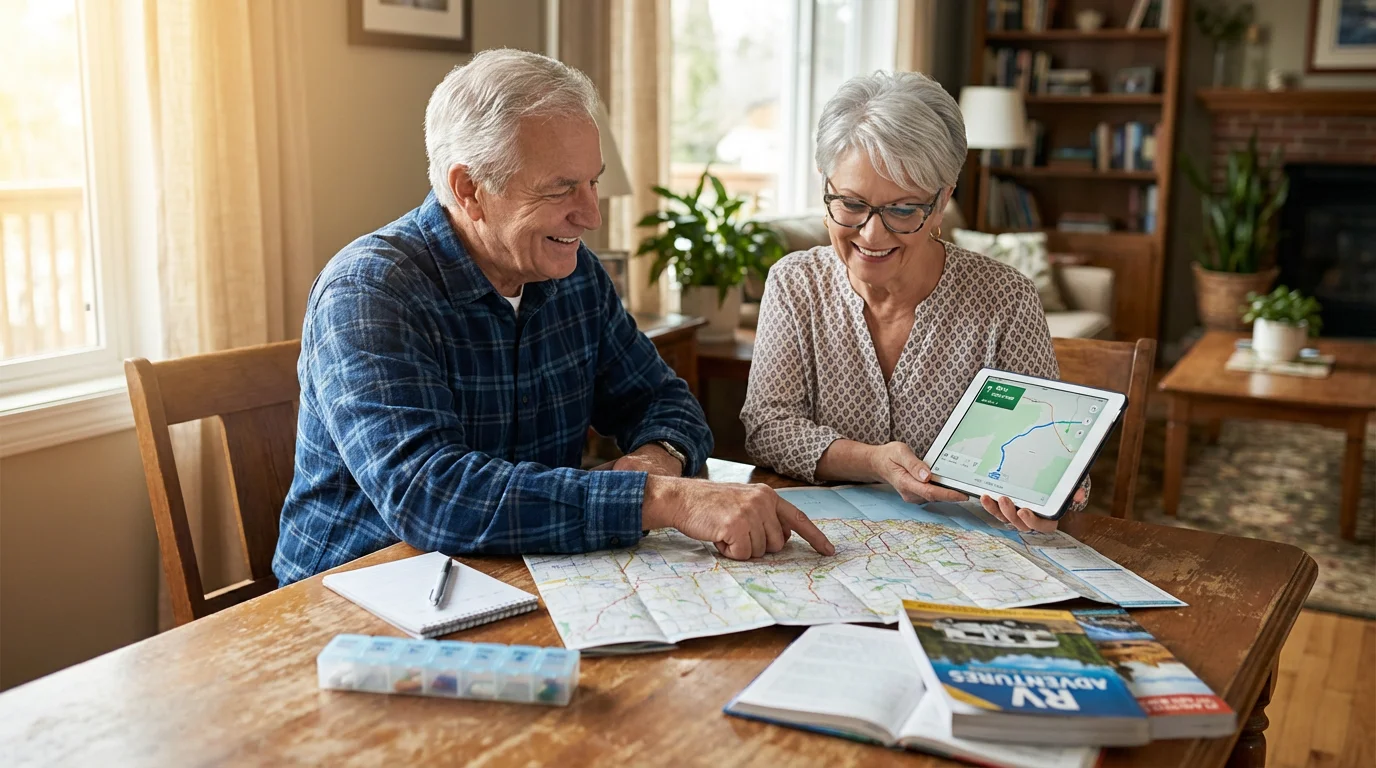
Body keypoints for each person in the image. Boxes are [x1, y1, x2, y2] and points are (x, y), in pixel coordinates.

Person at [273, 50, 832, 586]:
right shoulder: (371, 290)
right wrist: (662, 499)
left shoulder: (574, 275)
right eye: (562, 188)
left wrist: (655, 459)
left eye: (593, 181)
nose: (589, 214)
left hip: (520, 574)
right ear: (470, 189)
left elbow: (664, 399)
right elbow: (432, 497)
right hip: (350, 600)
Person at [741, 71, 1087, 534]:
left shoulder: (1006, 298)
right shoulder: (795, 284)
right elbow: (767, 430)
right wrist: (873, 461)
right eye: (850, 203)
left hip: (967, 548)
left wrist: (1057, 492)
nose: (871, 234)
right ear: (824, 183)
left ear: (942, 201)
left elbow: (1052, 457)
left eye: (903, 210)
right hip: (829, 546)